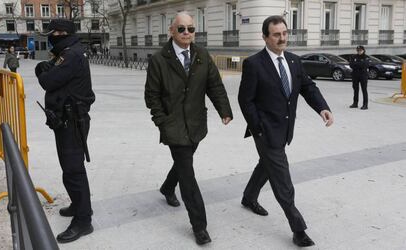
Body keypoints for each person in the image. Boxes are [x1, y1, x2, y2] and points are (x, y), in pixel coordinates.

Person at [238, 15, 334, 247]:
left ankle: (249, 197)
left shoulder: (293, 61)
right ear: (265, 37)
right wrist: (258, 127)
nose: (282, 38)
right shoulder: (254, 64)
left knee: (267, 165)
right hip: (266, 131)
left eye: (284, 33)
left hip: (285, 129)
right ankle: (298, 228)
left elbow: (308, 87)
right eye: (276, 34)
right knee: (282, 180)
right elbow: (245, 100)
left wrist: (322, 108)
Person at [144, 12, 233, 245]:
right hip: (173, 126)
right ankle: (199, 226)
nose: (187, 33)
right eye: (181, 29)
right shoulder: (159, 60)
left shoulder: (202, 55)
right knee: (188, 175)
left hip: (195, 125)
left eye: (191, 29)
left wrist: (224, 110)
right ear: (171, 31)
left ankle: (166, 187)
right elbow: (151, 96)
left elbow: (214, 85)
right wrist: (161, 121)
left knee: (184, 163)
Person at [35, 18, 95, 243]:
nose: (51, 38)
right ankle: (78, 205)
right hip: (65, 121)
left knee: (73, 171)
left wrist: (44, 72)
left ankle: (83, 221)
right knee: (70, 169)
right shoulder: (68, 52)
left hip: (72, 122)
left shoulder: (72, 55)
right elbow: (51, 72)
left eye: (53, 33)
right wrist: (47, 69)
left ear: (62, 33)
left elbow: (48, 81)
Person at [349, 45, 369, 110]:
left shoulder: (366, 57)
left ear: (363, 50)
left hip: (363, 76)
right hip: (355, 76)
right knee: (355, 90)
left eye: (360, 50)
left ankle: (365, 104)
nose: (359, 51)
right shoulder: (353, 56)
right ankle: (355, 103)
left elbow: (365, 65)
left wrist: (356, 64)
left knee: (364, 90)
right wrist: (359, 64)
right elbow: (351, 65)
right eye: (358, 50)